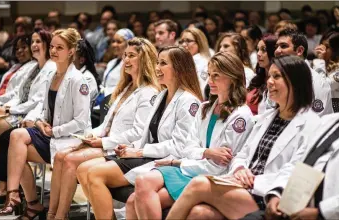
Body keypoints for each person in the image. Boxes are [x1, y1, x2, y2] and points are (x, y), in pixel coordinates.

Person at [166, 55, 322, 220]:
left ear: (296, 82)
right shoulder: (266, 117)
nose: (269, 82)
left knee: (199, 184)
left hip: (268, 196)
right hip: (243, 185)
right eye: (269, 76)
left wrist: (253, 180)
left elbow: (297, 172)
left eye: (276, 76)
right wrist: (240, 170)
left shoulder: (312, 125)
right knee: (199, 214)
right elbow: (242, 154)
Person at [77, 46, 203, 219]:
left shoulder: (189, 101)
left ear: (179, 68)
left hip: (164, 160)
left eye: (163, 63)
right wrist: (130, 148)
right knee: (84, 169)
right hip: (147, 155)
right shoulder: (162, 95)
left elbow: (179, 146)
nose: (157, 67)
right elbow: (146, 135)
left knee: (94, 174)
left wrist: (139, 151)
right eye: (157, 62)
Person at [126, 52, 255, 219]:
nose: (210, 81)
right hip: (190, 168)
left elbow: (219, 166)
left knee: (134, 199)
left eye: (216, 75)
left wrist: (180, 163)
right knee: (141, 185)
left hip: (210, 176)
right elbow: (188, 147)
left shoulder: (240, 116)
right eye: (209, 75)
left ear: (233, 78)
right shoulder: (205, 108)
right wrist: (206, 153)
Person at [47, 37, 160, 220]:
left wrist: (102, 142)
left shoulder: (149, 92)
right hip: (107, 143)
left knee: (70, 160)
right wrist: (91, 135)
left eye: (131, 55)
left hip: (121, 148)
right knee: (61, 155)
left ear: (144, 59)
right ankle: (53, 213)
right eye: (125, 55)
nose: (126, 60)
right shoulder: (126, 88)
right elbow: (107, 123)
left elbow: (138, 133)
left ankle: (60, 215)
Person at [0, 28, 90, 219]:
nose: (53, 51)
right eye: (53, 47)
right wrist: (39, 123)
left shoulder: (78, 80)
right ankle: (15, 194)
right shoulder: (51, 76)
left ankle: (34, 206)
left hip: (68, 138)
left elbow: (81, 122)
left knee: (16, 152)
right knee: (15, 137)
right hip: (50, 133)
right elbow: (44, 111)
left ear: (71, 51)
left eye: (60, 47)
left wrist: (54, 130)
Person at [0, 29, 56, 197]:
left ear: (48, 45)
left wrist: (9, 109)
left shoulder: (51, 68)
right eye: (33, 42)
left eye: (38, 42)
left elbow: (37, 101)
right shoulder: (34, 67)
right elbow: (19, 95)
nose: (34, 45)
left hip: (28, 116)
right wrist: (3, 107)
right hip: (19, 111)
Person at [242, 113, 339, 220]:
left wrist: (320, 213)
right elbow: (297, 164)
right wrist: (277, 194)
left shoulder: (313, 120)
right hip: (289, 207)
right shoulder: (328, 121)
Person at [274, 29, 333, 116]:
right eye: (276, 47)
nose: (277, 51)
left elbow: (317, 119)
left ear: (299, 51)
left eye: (283, 46)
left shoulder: (316, 81)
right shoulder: (276, 78)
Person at [97, 29, 134, 101]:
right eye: (113, 41)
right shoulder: (111, 63)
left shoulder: (131, 65)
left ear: (128, 44)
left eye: (119, 42)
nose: (114, 45)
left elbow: (127, 87)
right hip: (105, 100)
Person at [246, 34, 278, 115]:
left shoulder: (278, 82)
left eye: (264, 50)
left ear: (274, 52)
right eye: (258, 49)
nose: (258, 54)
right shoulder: (257, 79)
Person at [313, 30, 339, 112]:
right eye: (321, 45)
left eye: (327, 47)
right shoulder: (315, 64)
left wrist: (319, 61)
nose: (322, 49)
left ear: (336, 50)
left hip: (334, 114)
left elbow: (324, 86)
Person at [178, 28, 211, 97]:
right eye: (181, 41)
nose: (183, 44)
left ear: (199, 43)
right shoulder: (185, 61)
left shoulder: (202, 62)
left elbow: (200, 91)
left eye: (188, 41)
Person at [73, 38, 99, 105]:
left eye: (72, 56)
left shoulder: (87, 79)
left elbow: (78, 105)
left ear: (81, 60)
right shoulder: (73, 74)